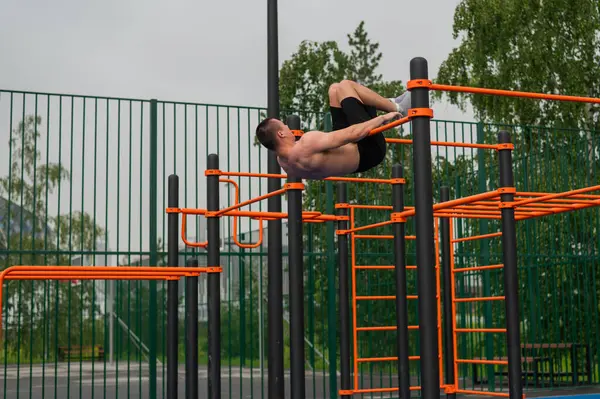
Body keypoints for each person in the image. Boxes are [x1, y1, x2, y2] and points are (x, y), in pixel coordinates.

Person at [255, 79, 411, 179]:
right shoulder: (307, 143)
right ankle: (397, 108)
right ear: (281, 133)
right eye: (284, 125)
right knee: (345, 85)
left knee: (334, 90)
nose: (289, 127)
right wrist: (383, 118)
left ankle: (388, 102)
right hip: (368, 149)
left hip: (356, 161)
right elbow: (353, 133)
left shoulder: (285, 164)